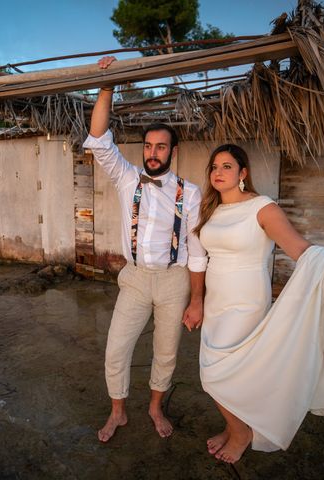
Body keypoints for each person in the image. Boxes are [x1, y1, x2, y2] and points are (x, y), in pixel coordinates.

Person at [194, 144, 324, 463]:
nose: (218, 172)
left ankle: (241, 434)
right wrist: (197, 300)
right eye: (214, 166)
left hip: (245, 302)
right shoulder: (211, 209)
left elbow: (301, 250)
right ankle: (235, 425)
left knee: (214, 373)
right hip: (217, 301)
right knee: (231, 371)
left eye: (227, 166)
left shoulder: (262, 207)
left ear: (243, 173)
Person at [83, 56, 207, 443]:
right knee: (116, 347)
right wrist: (107, 86)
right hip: (134, 278)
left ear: (173, 151)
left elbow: (198, 250)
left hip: (174, 281)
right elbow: (100, 140)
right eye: (149, 146)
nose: (153, 152)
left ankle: (154, 406)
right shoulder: (126, 178)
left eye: (161, 147)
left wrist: (197, 299)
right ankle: (117, 412)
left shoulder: (191, 193)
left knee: (166, 353)